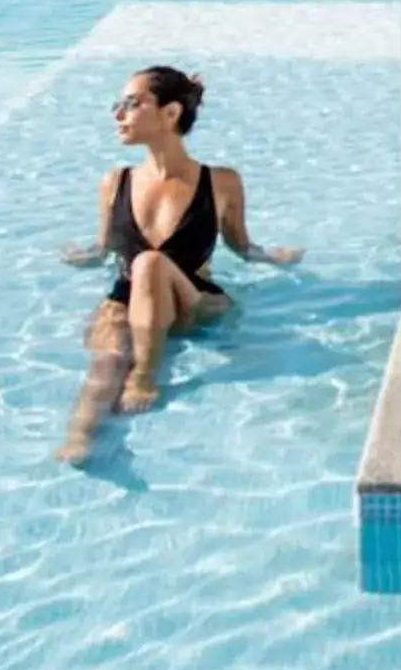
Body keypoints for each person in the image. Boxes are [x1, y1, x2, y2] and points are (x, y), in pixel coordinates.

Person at [54, 65, 300, 463]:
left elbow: (240, 245)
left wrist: (272, 256)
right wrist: (84, 257)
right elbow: (104, 249)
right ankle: (80, 438)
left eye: (132, 105)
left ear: (170, 114)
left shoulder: (220, 182)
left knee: (150, 264)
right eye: (118, 105)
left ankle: (145, 376)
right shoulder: (115, 182)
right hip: (126, 300)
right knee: (108, 360)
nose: (118, 115)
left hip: (194, 301)